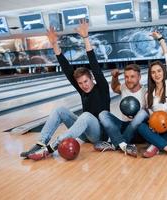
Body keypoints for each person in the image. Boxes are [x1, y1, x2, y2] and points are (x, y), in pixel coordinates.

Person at [20, 19, 110, 160]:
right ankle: (40, 144)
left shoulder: (102, 88)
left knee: (85, 116)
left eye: (86, 81)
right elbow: (66, 68)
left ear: (91, 78)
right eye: (80, 83)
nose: (84, 85)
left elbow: (95, 64)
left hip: (99, 135)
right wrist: (54, 44)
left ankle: (53, 146)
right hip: (84, 133)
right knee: (59, 110)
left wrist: (85, 38)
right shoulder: (82, 89)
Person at [95, 64, 148, 157]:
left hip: (138, 131)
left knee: (142, 113)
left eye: (132, 76)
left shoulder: (146, 92)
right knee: (103, 114)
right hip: (123, 127)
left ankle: (115, 144)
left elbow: (148, 116)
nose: (129, 79)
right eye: (126, 77)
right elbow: (115, 87)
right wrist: (114, 77)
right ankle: (123, 145)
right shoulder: (124, 87)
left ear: (139, 77)